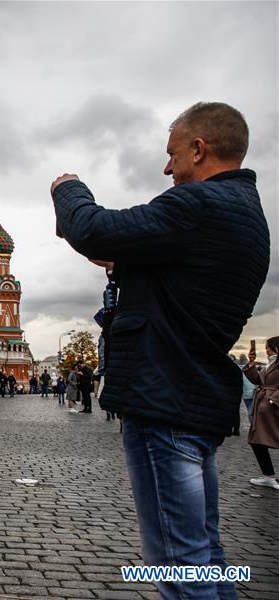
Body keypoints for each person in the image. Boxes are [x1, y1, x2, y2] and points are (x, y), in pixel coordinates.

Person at [51, 101, 269, 599]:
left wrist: (67, 189)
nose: (167, 167)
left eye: (172, 154)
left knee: (177, 564)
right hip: (191, 397)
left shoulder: (199, 206)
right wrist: (118, 261)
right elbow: (161, 276)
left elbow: (94, 228)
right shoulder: (244, 213)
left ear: (199, 148)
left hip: (164, 400)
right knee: (205, 555)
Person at [243, 337, 279, 490]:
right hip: (263, 409)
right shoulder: (269, 363)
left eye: (269, 347)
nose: (266, 350)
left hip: (273, 408)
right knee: (256, 440)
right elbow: (257, 380)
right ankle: (268, 476)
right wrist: (251, 362)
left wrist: (273, 400)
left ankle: (268, 476)